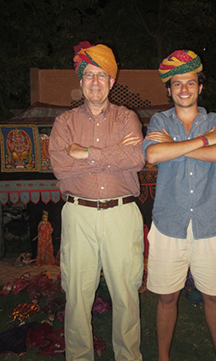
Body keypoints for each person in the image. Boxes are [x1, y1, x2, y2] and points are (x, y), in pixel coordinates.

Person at [49, 41, 145, 361]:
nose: (94, 82)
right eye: (89, 75)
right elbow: (61, 166)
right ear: (80, 81)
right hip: (79, 214)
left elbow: (136, 158)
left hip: (122, 213)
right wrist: (112, 156)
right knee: (77, 296)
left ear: (112, 82)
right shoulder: (65, 123)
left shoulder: (126, 117)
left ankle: (128, 357)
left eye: (102, 76)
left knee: (126, 294)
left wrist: (87, 153)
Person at [142, 49, 216, 361]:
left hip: (211, 221)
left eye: (191, 83)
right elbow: (153, 156)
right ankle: (163, 358)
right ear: (168, 89)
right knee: (167, 296)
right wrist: (204, 141)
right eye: (177, 83)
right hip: (170, 223)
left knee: (214, 296)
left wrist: (173, 147)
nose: (184, 89)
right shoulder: (159, 120)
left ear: (200, 87)